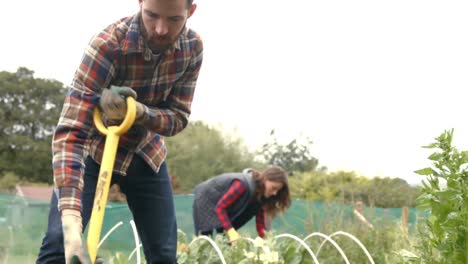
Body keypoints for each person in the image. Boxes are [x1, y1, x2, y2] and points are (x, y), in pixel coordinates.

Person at [36, 0, 203, 263]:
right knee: (59, 246)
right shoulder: (108, 45)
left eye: (173, 20)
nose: (160, 29)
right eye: (151, 15)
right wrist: (70, 226)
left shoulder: (192, 48)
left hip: (146, 153)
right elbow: (71, 130)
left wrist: (137, 112)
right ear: (140, 3)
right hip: (95, 151)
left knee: (164, 254)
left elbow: (178, 118)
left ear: (190, 12)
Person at [192, 166, 291, 242]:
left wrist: (265, 241)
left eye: (277, 190)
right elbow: (220, 208)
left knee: (225, 240)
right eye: (274, 188)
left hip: (222, 207)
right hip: (206, 199)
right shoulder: (241, 185)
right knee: (204, 240)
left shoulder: (261, 197)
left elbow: (260, 223)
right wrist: (231, 231)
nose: (275, 193)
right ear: (265, 178)